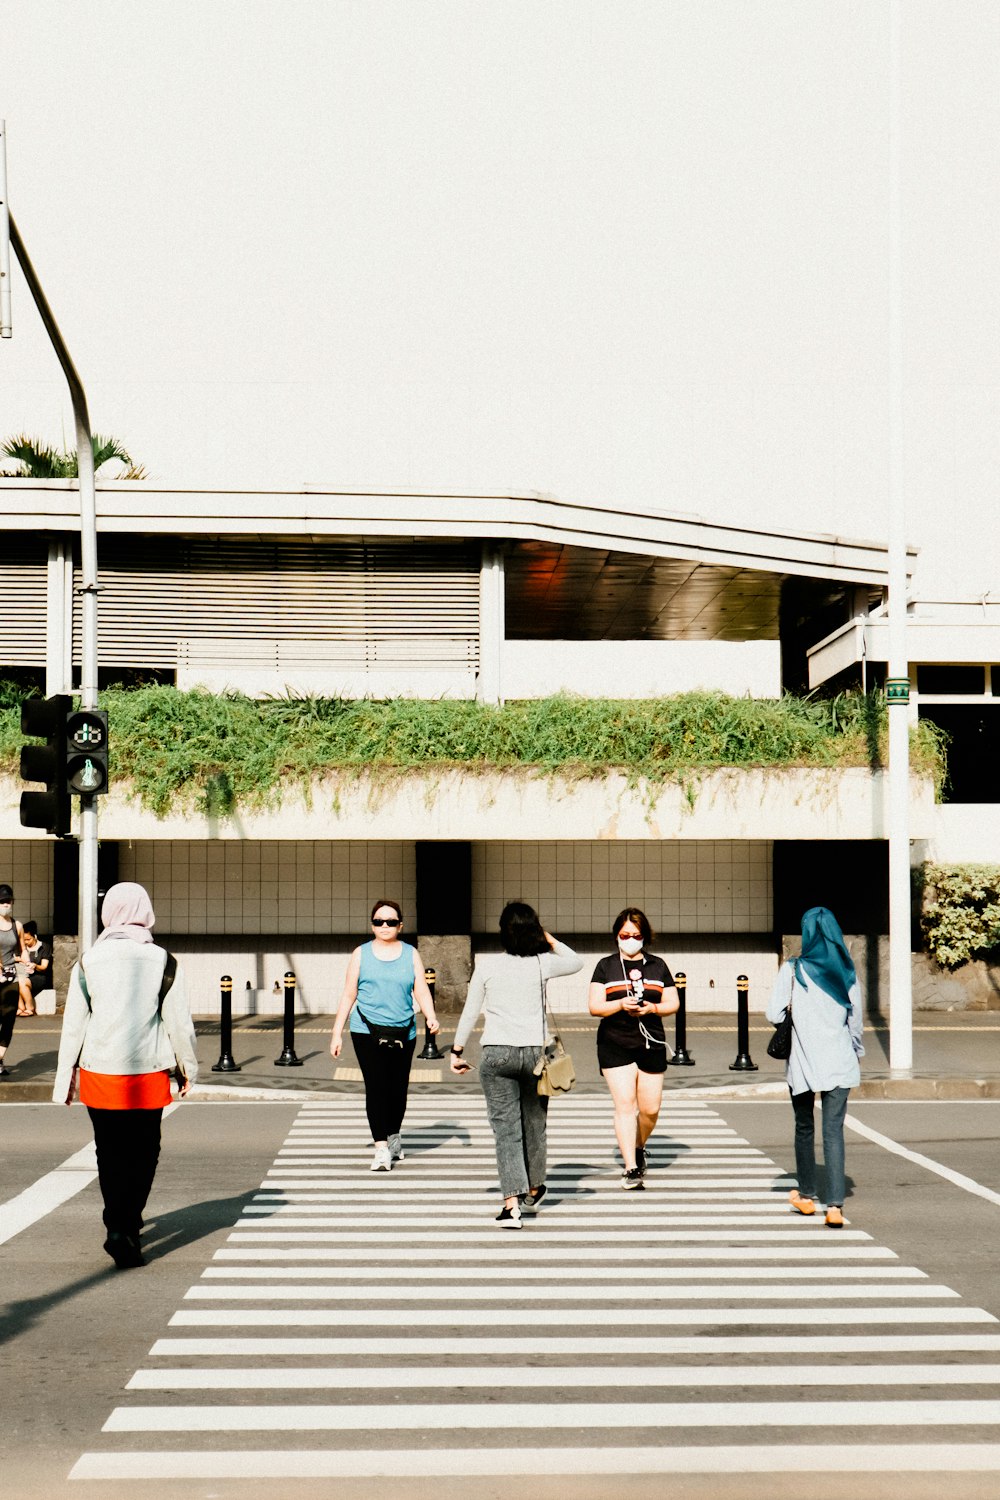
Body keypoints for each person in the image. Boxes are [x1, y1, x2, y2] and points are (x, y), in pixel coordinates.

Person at [52, 882, 198, 1269]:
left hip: (99, 1071)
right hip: (147, 1072)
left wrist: (65, 1077)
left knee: (109, 1151)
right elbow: (178, 1024)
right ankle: (128, 1223)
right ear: (145, 911)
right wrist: (187, 1068)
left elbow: (74, 1025)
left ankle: (117, 1225)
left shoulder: (88, 961)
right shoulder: (166, 961)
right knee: (145, 1151)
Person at [450, 903, 582, 1227]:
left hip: (497, 1054)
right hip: (536, 1056)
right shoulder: (542, 963)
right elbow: (576, 961)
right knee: (535, 1124)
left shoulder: (486, 966)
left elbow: (470, 1011)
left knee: (506, 1131)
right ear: (534, 931)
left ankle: (511, 1205)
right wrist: (547, 938)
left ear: (502, 932)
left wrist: (456, 1050)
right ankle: (534, 1187)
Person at [766, 905, 864, 1229]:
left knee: (804, 1127)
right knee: (833, 1131)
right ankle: (834, 1206)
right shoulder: (847, 972)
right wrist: (855, 1052)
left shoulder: (792, 969)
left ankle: (806, 1197)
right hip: (839, 1061)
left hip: (803, 1063)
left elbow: (774, 1014)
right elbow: (856, 1024)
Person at [329, 900, 440, 1171]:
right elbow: (348, 994)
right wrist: (336, 1033)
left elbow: (421, 989)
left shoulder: (411, 954)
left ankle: (393, 1136)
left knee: (398, 1088)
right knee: (376, 1086)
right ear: (372, 925)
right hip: (365, 1029)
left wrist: (431, 1015)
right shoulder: (360, 954)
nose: (385, 926)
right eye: (379, 921)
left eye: (391, 922)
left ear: (400, 925)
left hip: (404, 1029)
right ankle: (380, 1149)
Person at [589, 907, 679, 1190]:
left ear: (645, 936)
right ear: (616, 935)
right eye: (624, 934)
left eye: (635, 935)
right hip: (614, 1042)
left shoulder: (658, 965)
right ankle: (630, 1168)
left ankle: (638, 1145)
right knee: (625, 1106)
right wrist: (618, 1004)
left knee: (650, 1110)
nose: (629, 939)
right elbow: (594, 1006)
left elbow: (672, 1003)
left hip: (651, 1041)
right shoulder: (605, 966)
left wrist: (653, 1007)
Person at [0, 882, 27, 1077]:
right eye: (2, 901)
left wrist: (27, 961)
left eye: (8, 901)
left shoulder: (17, 925)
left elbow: (22, 950)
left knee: (8, 1019)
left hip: (11, 976)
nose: (6, 904)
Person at [17, 920, 52, 1016]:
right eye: (23, 940)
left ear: (35, 936)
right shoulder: (21, 947)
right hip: (23, 974)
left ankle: (30, 1007)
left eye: (28, 939)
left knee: (22, 981)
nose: (26, 942)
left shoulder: (44, 947)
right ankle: (20, 1007)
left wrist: (35, 966)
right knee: (16, 980)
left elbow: (44, 967)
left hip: (39, 976)